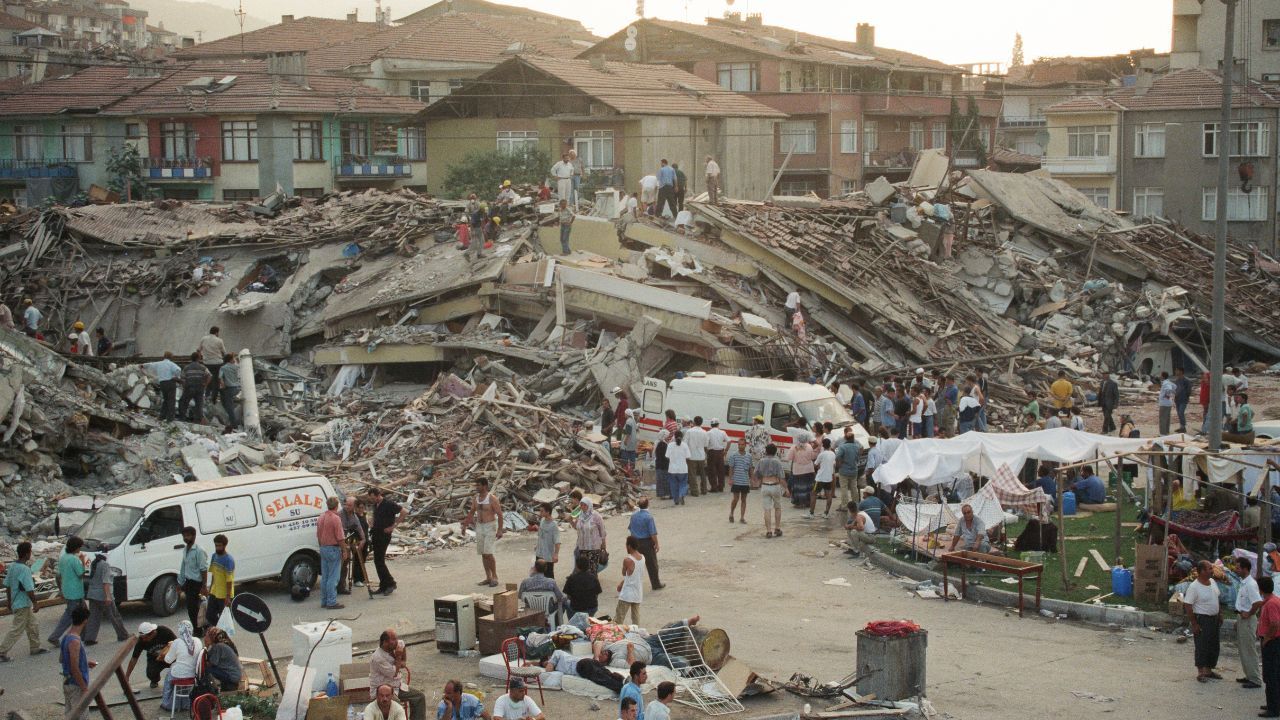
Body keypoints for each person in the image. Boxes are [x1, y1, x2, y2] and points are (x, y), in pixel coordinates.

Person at [0, 541, 46, 662]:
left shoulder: (13, 566)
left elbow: (8, 585)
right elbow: (29, 589)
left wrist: (9, 602)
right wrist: (35, 603)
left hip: (17, 602)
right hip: (23, 603)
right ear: (26, 554)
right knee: (17, 629)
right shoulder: (24, 569)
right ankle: (2, 651)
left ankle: (35, 647)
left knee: (33, 625)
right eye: (30, 552)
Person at [370, 629, 427, 720]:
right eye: (394, 640)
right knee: (397, 708)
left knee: (419, 697)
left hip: (396, 686)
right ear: (385, 642)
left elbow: (402, 644)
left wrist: (403, 660)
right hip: (382, 691)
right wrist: (399, 656)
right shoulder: (378, 658)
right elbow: (393, 673)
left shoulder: (395, 644)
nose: (396, 642)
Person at [1185, 559, 1223, 683]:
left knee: (1213, 645)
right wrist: (1195, 624)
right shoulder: (1194, 587)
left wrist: (1220, 614)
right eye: (1209, 569)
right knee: (1202, 646)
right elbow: (1188, 605)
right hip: (1203, 619)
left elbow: (1217, 598)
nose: (1212, 571)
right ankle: (1201, 672)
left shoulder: (1212, 582)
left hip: (1214, 618)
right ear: (1201, 571)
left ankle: (1209, 669)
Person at [464, 477, 503, 588]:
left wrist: (500, 530)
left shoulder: (492, 498)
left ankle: (495, 577)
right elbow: (471, 512)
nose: (477, 487)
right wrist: (465, 526)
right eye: (476, 485)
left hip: (490, 526)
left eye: (479, 485)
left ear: (485, 486)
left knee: (488, 553)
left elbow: (500, 514)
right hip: (479, 526)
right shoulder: (476, 499)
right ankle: (488, 577)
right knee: (482, 553)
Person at [83, 547, 127, 645]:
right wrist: (107, 596)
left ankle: (89, 638)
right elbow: (105, 582)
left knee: (94, 617)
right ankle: (123, 635)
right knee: (114, 616)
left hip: (92, 594)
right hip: (103, 595)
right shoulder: (105, 565)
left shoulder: (94, 563)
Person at [48, 536, 87, 645]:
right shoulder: (74, 559)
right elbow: (81, 574)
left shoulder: (63, 558)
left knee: (82, 613)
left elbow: (58, 575)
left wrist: (61, 590)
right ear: (76, 547)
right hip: (75, 592)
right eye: (79, 547)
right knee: (70, 616)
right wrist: (83, 561)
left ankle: (84, 636)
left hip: (67, 590)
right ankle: (55, 636)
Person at [61, 605, 94, 720]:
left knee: (70, 715)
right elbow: (74, 668)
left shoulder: (66, 637)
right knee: (82, 716)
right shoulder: (75, 641)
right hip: (76, 685)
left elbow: (62, 659)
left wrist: (85, 662)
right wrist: (84, 688)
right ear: (85, 620)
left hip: (67, 683)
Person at [161, 620, 202, 712]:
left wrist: (171, 647)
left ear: (180, 630)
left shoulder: (177, 642)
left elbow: (168, 660)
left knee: (169, 676)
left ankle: (168, 704)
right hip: (193, 675)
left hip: (179, 676)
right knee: (177, 670)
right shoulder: (198, 641)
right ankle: (185, 704)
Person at [370, 488, 405, 595]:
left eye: (373, 498)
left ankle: (390, 583)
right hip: (376, 534)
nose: (372, 500)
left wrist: (393, 526)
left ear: (378, 495)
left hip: (384, 535)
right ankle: (383, 585)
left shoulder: (388, 504)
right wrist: (372, 522)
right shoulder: (376, 505)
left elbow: (404, 512)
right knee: (377, 561)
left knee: (380, 561)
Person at [1236, 557, 1265, 689]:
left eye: (1238, 568)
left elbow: (1258, 602)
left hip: (1248, 619)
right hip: (1242, 617)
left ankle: (1255, 678)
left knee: (1249, 648)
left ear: (1245, 569)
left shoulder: (1250, 584)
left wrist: (1250, 613)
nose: (1236, 570)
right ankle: (1249, 674)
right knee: (1243, 648)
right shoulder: (1243, 583)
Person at [315, 497, 345, 609]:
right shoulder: (335, 518)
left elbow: (318, 535)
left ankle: (324, 600)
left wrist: (321, 546)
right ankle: (331, 601)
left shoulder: (321, 517)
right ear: (336, 506)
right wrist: (344, 550)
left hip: (323, 547)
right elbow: (340, 537)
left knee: (325, 576)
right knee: (333, 576)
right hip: (333, 548)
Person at [126, 622, 175, 688]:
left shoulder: (164, 631)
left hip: (170, 655)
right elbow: (134, 658)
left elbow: (177, 643)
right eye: (142, 638)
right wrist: (127, 676)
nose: (144, 640)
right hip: (155, 659)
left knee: (179, 666)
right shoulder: (141, 641)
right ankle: (155, 680)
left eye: (145, 638)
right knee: (151, 673)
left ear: (152, 633)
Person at [628, 498, 662, 590]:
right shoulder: (648, 517)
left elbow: (631, 529)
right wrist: (657, 544)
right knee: (652, 565)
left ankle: (633, 585)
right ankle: (656, 584)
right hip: (646, 542)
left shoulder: (634, 516)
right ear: (648, 504)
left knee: (636, 564)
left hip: (635, 542)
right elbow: (653, 533)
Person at [1258, 576, 1280, 717]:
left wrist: (1266, 638)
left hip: (1272, 642)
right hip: (1273, 641)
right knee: (1274, 674)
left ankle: (1273, 708)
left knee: (1271, 675)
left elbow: (1275, 623)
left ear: (1260, 589)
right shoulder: (1273, 600)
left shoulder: (1271, 603)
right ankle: (1273, 703)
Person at [756, 444, 789, 538]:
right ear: (775, 452)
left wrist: (759, 480)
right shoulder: (777, 462)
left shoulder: (761, 461)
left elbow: (756, 473)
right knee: (777, 507)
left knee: (767, 509)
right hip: (775, 485)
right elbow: (781, 477)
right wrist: (786, 488)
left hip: (765, 485)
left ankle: (768, 531)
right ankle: (777, 528)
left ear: (766, 451)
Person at [572, 497, 608, 574]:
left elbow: (602, 531)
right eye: (581, 505)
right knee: (583, 570)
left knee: (592, 569)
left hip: (593, 547)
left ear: (589, 505)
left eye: (584, 505)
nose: (582, 507)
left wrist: (603, 545)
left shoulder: (596, 516)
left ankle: (593, 584)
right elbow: (576, 527)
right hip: (582, 547)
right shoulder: (580, 515)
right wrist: (570, 520)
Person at [340, 495, 368, 593]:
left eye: (350, 505)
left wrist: (363, 539)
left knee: (347, 564)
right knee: (342, 565)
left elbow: (359, 527)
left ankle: (342, 587)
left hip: (349, 541)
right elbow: (341, 531)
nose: (347, 507)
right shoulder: (341, 514)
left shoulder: (354, 515)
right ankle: (340, 586)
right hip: (341, 543)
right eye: (346, 505)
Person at [615, 536, 645, 625]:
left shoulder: (628, 560)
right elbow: (633, 576)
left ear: (629, 546)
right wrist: (621, 583)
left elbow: (624, 573)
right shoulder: (642, 558)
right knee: (636, 620)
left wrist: (621, 583)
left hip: (627, 594)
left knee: (618, 619)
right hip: (637, 592)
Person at [206, 534, 234, 627]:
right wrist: (210, 589)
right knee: (209, 615)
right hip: (214, 592)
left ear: (224, 545)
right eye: (216, 545)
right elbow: (213, 573)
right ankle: (219, 630)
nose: (217, 548)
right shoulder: (214, 556)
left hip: (224, 594)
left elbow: (229, 580)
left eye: (219, 545)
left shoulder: (228, 560)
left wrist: (228, 596)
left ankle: (225, 635)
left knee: (226, 618)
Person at [146, 351, 182, 421]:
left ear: (164, 356)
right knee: (171, 400)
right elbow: (178, 369)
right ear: (171, 357)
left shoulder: (159, 363)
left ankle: (162, 416)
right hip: (170, 383)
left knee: (165, 400)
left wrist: (143, 365)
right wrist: (176, 376)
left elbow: (150, 364)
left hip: (162, 383)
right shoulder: (171, 364)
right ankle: (170, 418)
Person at [202, 626, 241, 691]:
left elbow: (211, 663)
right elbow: (208, 655)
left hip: (232, 676)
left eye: (206, 636)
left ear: (212, 636)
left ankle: (213, 689)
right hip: (234, 675)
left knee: (207, 669)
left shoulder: (219, 646)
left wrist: (206, 646)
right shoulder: (220, 644)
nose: (205, 638)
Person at [178, 352, 211, 423]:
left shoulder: (186, 367)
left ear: (191, 358)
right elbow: (209, 376)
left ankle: (182, 418)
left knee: (183, 402)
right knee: (199, 404)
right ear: (198, 358)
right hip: (200, 387)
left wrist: (184, 387)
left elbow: (183, 378)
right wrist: (205, 385)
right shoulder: (203, 367)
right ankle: (198, 420)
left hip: (189, 387)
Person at [727, 438, 752, 524]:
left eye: (742, 444)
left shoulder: (749, 456)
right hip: (736, 481)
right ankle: (731, 513)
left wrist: (752, 479)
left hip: (745, 481)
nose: (740, 446)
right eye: (739, 444)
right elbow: (731, 468)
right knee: (736, 499)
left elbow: (750, 468)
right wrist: (730, 479)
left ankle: (742, 517)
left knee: (744, 499)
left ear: (745, 445)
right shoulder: (733, 455)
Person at [198, 326, 226, 404]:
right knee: (216, 381)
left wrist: (200, 358)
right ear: (216, 332)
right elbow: (224, 352)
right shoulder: (219, 340)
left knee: (208, 379)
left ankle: (207, 396)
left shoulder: (203, 339)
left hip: (207, 363)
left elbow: (198, 350)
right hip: (218, 363)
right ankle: (214, 399)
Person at [810, 438, 836, 518]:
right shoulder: (833, 454)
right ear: (830, 445)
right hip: (829, 477)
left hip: (820, 478)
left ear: (823, 445)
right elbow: (834, 464)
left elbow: (815, 464)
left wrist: (819, 467)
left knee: (813, 494)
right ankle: (826, 513)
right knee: (829, 495)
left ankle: (811, 513)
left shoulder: (821, 454)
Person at [663, 431, 691, 505]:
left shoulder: (670, 445)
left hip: (672, 469)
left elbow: (667, 456)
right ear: (682, 437)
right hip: (683, 469)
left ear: (674, 437)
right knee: (683, 484)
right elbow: (688, 457)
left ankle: (676, 500)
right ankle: (681, 495)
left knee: (673, 485)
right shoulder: (685, 445)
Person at [534, 503, 560, 578]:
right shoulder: (542, 520)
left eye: (542, 511)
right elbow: (540, 535)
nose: (540, 513)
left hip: (548, 555)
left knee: (549, 575)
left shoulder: (554, 525)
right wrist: (537, 545)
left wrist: (556, 554)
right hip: (539, 553)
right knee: (538, 574)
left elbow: (557, 541)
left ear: (548, 512)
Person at [684, 417, 708, 497]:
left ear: (693, 422)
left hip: (691, 456)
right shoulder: (705, 432)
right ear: (701, 423)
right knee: (703, 474)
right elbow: (705, 445)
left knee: (692, 474)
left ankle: (695, 491)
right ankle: (704, 489)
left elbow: (685, 444)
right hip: (701, 456)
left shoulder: (689, 431)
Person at [705, 418, 728, 493]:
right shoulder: (723, 432)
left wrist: (706, 452)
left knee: (712, 470)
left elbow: (705, 444)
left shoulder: (708, 433)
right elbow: (729, 441)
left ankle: (714, 487)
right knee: (721, 470)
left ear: (711, 425)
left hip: (712, 452)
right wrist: (726, 451)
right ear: (718, 424)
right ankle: (721, 487)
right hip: (720, 452)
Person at [219, 353, 241, 430]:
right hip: (237, 388)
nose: (234, 360)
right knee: (231, 405)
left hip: (229, 388)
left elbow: (220, 378)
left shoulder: (223, 368)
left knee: (229, 407)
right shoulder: (236, 367)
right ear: (231, 360)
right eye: (233, 358)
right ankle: (233, 420)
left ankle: (234, 424)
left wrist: (223, 385)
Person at [1173, 367, 1193, 433]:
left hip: (1183, 399)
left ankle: (1183, 427)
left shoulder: (1186, 380)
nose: (1176, 372)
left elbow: (1189, 391)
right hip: (1177, 399)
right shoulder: (1176, 380)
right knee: (1179, 413)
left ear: (1181, 371)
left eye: (1177, 371)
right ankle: (1181, 427)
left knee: (1181, 413)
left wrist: (1186, 396)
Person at [1157, 371, 1175, 436]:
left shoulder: (1166, 383)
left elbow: (1169, 389)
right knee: (1167, 418)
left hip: (1164, 403)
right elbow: (1175, 387)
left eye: (1161, 375)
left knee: (1162, 418)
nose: (1160, 376)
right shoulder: (1168, 382)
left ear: (1163, 376)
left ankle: (1163, 433)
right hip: (1168, 403)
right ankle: (1166, 432)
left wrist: (1167, 395)